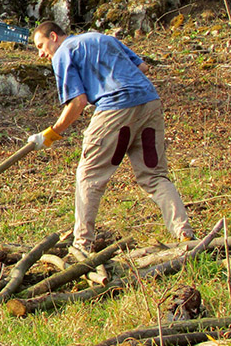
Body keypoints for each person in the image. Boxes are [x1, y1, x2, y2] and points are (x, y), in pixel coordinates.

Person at [29, 22, 194, 253]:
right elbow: (142, 68)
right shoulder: (103, 38)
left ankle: (82, 246)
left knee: (89, 176)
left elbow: (78, 102)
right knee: (154, 176)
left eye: (41, 45)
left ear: (54, 36)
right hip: (149, 102)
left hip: (115, 109)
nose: (41, 53)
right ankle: (184, 232)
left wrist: (51, 134)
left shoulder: (63, 52)